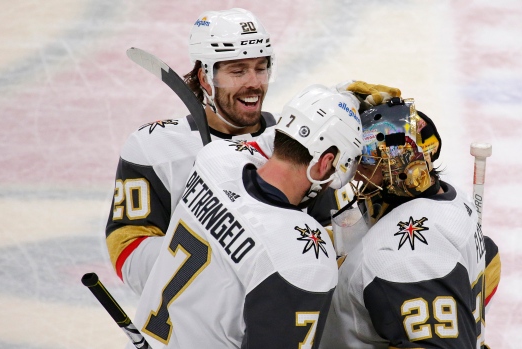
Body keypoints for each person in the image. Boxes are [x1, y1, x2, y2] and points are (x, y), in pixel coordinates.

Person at [105, 7, 401, 295]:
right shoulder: (154, 147)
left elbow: (336, 245)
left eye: (261, 68)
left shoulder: (299, 143)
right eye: (238, 71)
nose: (254, 83)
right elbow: (127, 252)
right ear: (205, 78)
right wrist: (219, 257)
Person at [128, 84, 363, 349]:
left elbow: (271, 141)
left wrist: (338, 103)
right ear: (325, 162)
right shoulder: (303, 256)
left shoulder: (215, 158)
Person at [319, 98, 501, 349]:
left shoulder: (404, 258)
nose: (359, 175)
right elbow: (490, 259)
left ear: (407, 172)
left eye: (371, 164)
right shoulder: (455, 201)